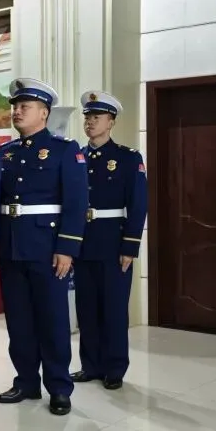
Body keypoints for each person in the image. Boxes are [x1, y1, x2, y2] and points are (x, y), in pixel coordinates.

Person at [0, 78, 87, 415]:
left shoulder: (65, 150)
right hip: (11, 245)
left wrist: (67, 248)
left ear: (44, 113)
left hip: (47, 248)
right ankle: (26, 381)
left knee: (52, 320)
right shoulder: (7, 153)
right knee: (18, 320)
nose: (17, 112)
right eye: (15, 106)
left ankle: (59, 387)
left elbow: (76, 203)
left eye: (25, 106)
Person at [71, 91, 147, 390]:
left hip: (113, 242)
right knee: (86, 307)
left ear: (111, 122)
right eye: (87, 117)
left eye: (97, 117)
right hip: (82, 241)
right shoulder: (76, 156)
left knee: (113, 309)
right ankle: (90, 365)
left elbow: (138, 205)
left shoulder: (128, 158)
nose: (90, 122)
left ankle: (114, 367)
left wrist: (130, 245)